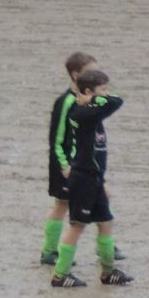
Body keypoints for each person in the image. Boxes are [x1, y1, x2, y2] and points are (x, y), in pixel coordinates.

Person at [49, 68, 133, 288]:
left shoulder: (93, 111)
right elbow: (117, 101)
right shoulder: (84, 113)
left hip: (95, 179)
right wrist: (96, 99)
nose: (106, 93)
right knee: (78, 226)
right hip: (83, 179)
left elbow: (112, 101)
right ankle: (60, 275)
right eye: (102, 89)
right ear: (88, 91)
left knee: (106, 222)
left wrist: (95, 98)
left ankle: (107, 272)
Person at [43, 50, 96, 266]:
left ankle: (107, 245)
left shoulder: (89, 100)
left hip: (83, 165)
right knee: (62, 205)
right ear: (75, 75)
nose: (95, 77)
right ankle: (49, 251)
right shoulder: (65, 102)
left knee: (95, 200)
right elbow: (56, 138)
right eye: (90, 73)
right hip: (66, 165)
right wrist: (64, 165)